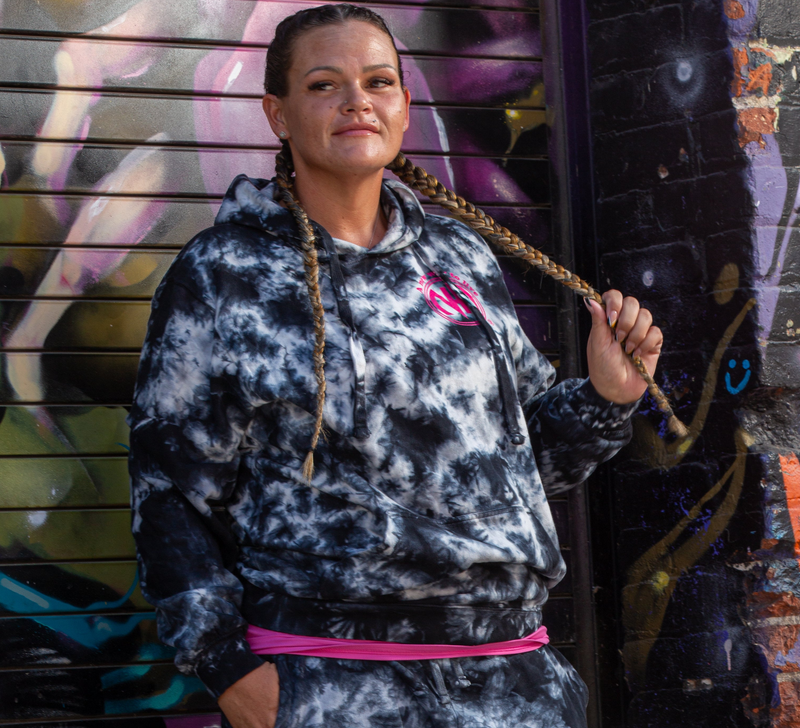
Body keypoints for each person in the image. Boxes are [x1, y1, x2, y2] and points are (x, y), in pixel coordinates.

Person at [127, 5, 662, 727]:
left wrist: (606, 395)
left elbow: (527, 462)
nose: (357, 101)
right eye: (324, 85)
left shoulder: (462, 259)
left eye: (378, 81)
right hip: (330, 683)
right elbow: (169, 491)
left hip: (508, 683)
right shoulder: (225, 274)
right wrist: (232, 674)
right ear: (276, 114)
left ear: (405, 107)